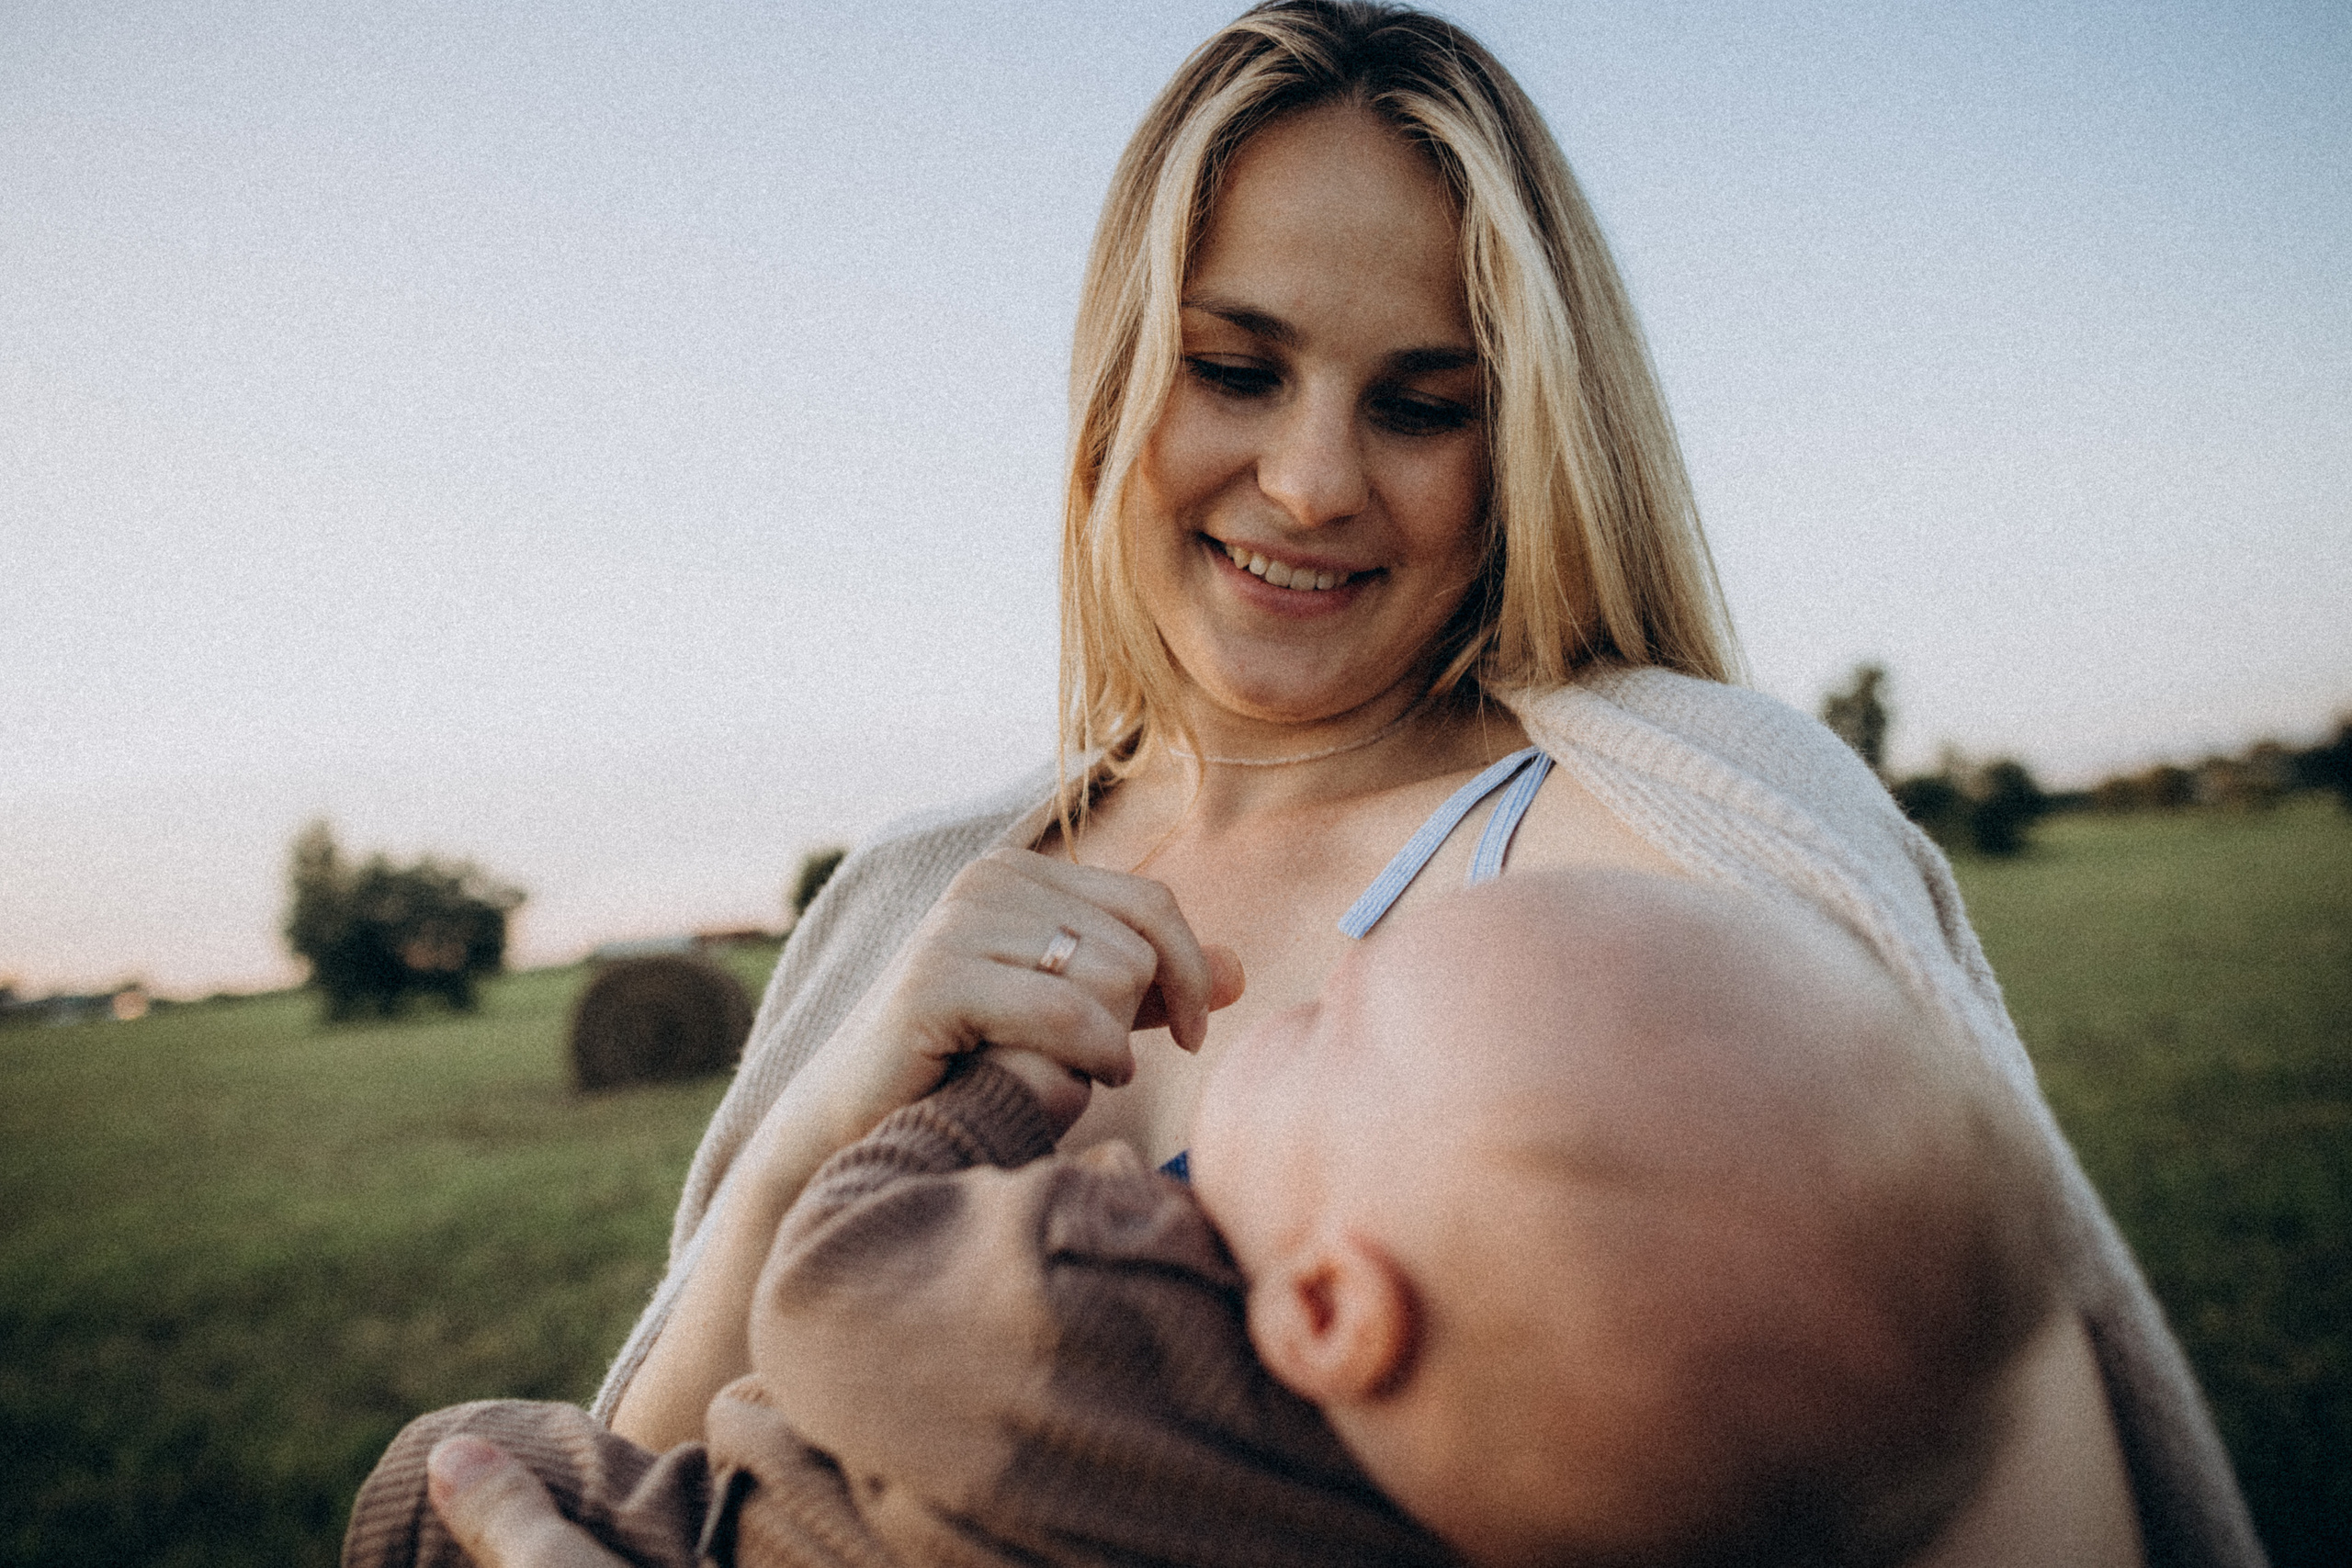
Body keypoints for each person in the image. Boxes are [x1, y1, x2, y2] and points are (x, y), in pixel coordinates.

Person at [552, 2, 2255, 1561]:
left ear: (1526, 443)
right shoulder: (908, 894)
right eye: (1235, 371)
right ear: (1117, 371)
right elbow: (613, 1491)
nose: (1308, 482)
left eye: (1423, 406)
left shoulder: (1672, 844)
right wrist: (812, 1141)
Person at [347, 871, 2069, 1568]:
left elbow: (833, 1287)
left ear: (1326, 1311)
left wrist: (992, 1107)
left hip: (677, 1535)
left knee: (457, 1472)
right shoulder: (1431, 1507)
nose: (1287, 1010)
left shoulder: (1113, 1307)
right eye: (1240, 367)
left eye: (1332, 1027)